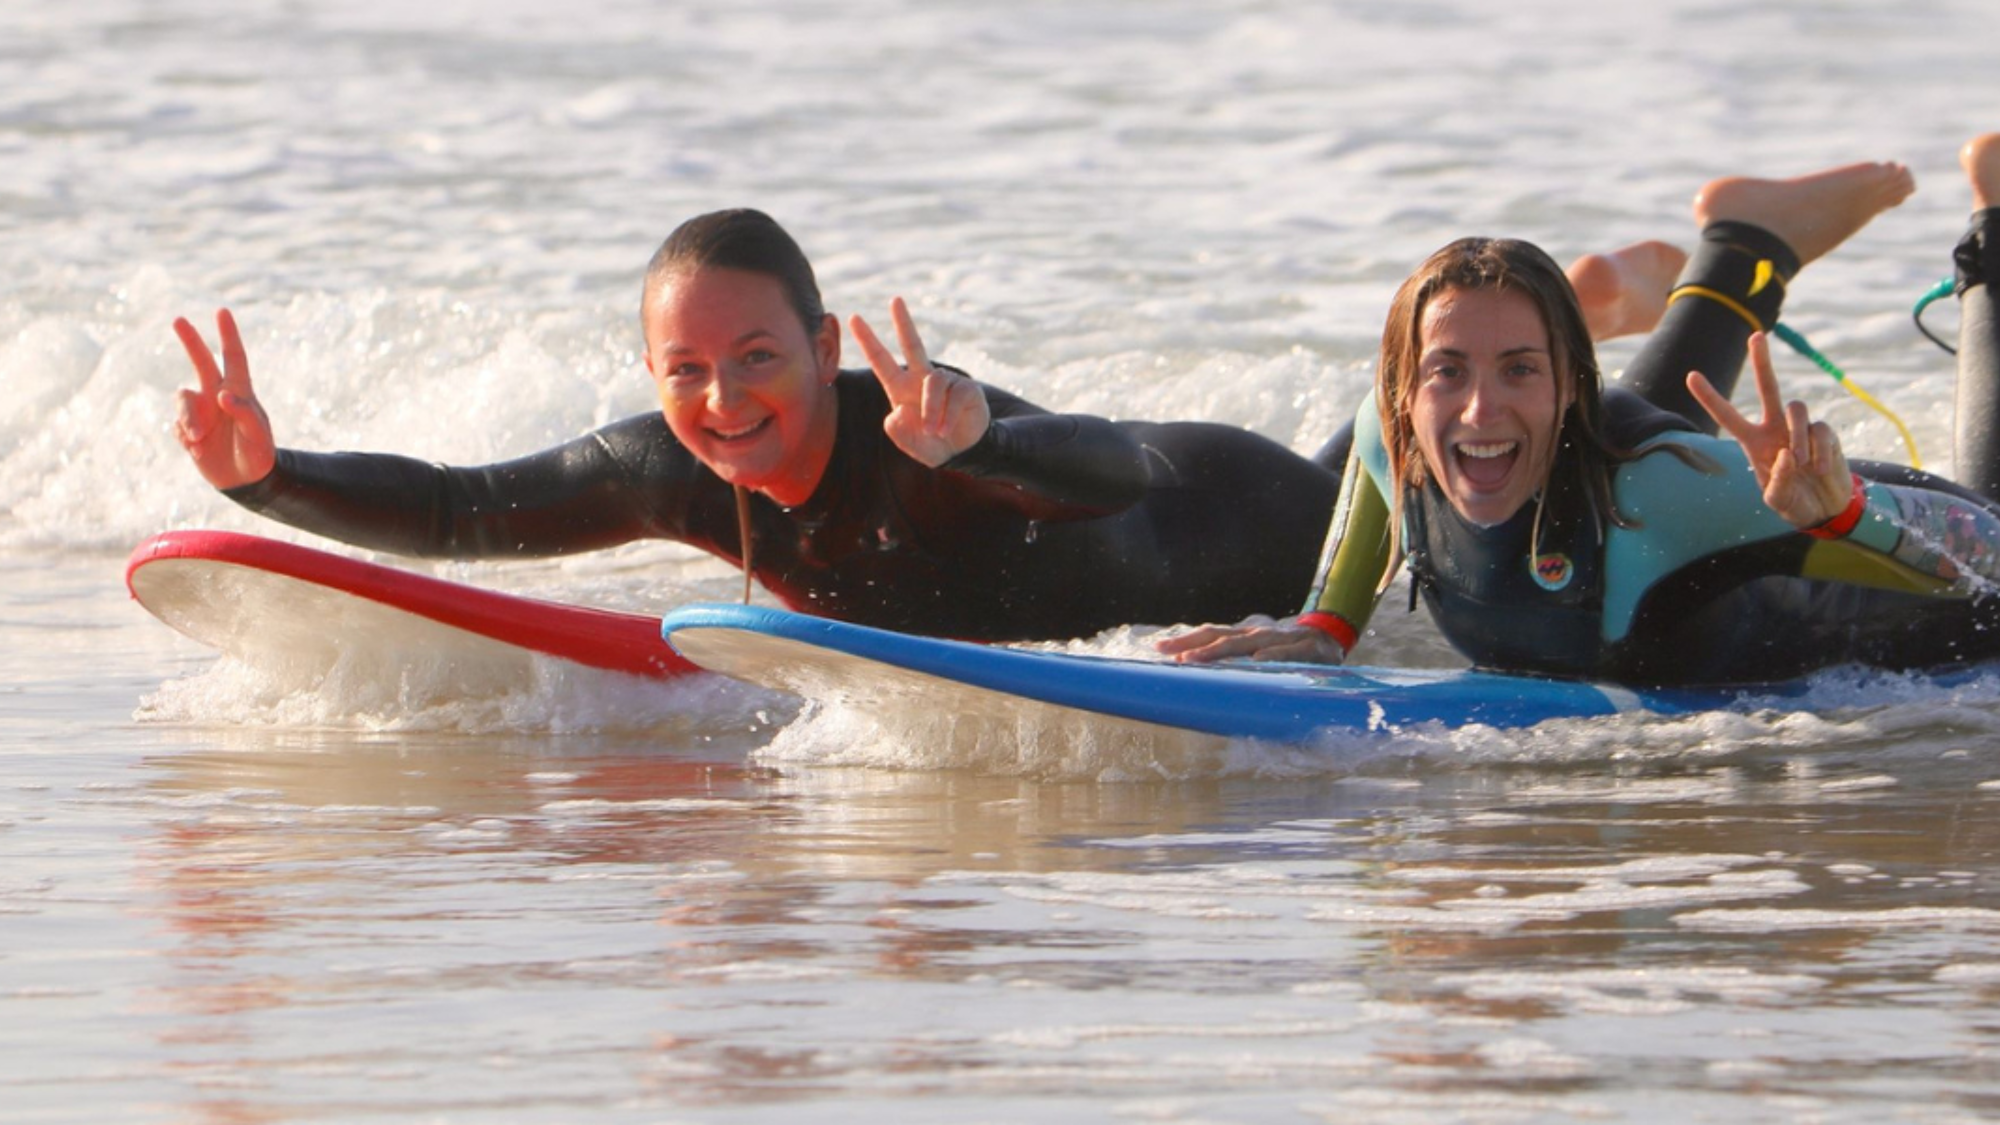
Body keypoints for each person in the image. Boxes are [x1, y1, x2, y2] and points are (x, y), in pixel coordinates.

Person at [173, 208, 1693, 644]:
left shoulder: (918, 420)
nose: (720, 400)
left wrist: (980, 446)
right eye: (683, 370)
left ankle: (1724, 266)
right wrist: (269, 472)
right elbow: (455, 511)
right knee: (1463, 419)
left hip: (1250, 523)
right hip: (1169, 547)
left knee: (1564, 457)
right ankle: (1595, 298)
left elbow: (1112, 475)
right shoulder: (670, 462)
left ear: (824, 345)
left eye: (758, 356)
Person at [1160, 148, 2000, 686]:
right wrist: (1322, 627)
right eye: (1446, 370)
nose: (1477, 407)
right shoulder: (1393, 430)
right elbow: (1352, 566)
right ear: (1401, 389)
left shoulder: (1669, 495)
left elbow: (1984, 558)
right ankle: (1745, 242)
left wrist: (1842, 513)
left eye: (1520, 369)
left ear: (1571, 386)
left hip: (1933, 616)